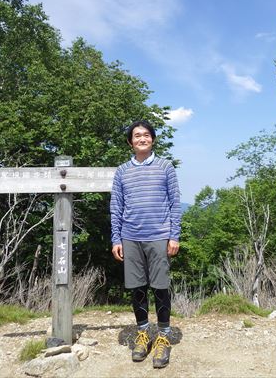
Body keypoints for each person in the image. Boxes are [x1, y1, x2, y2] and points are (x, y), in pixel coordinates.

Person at [110, 120, 181, 369]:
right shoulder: (122, 171)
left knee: (160, 287)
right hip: (130, 237)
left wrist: (174, 236)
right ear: (130, 142)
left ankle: (163, 337)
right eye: (137, 135)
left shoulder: (165, 167)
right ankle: (142, 334)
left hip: (159, 235)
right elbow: (116, 207)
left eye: (146, 135)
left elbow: (175, 203)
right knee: (137, 287)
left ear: (153, 139)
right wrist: (116, 239)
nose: (142, 138)